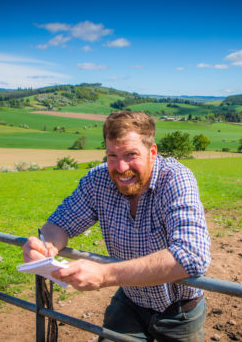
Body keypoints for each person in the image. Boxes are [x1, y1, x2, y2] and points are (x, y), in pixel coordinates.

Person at [23, 111, 211, 341]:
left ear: (152, 152)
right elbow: (61, 223)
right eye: (112, 155)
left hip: (179, 312)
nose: (121, 168)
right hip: (130, 301)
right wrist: (46, 246)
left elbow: (192, 255)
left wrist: (104, 274)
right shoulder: (98, 180)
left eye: (131, 155)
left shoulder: (175, 179)